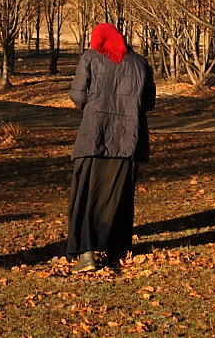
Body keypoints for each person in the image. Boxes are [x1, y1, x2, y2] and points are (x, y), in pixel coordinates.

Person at [66, 22, 155, 271]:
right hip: (128, 140)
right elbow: (148, 102)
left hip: (94, 137)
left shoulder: (91, 58)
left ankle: (86, 254)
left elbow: (77, 95)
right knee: (119, 196)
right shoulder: (140, 63)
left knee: (86, 195)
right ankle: (115, 249)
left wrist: (93, 108)